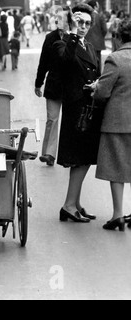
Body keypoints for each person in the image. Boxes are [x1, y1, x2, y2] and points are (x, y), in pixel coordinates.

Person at [53, 3, 100, 223]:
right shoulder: (62, 43)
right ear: (73, 22)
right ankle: (68, 205)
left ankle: (75, 203)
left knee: (85, 158)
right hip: (76, 108)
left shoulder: (89, 46)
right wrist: (72, 32)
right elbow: (65, 62)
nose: (84, 27)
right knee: (79, 158)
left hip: (88, 107)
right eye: (80, 22)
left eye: (87, 23)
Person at [92, 18, 131, 231]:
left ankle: (118, 215)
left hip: (117, 122)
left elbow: (102, 92)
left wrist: (95, 88)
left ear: (118, 37)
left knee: (117, 169)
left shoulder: (115, 59)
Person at [34, 5, 71, 167]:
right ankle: (49, 154)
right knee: (52, 119)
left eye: (61, 18)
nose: (57, 20)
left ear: (69, 21)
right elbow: (44, 62)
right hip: (54, 85)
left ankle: (70, 155)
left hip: (72, 87)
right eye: (56, 17)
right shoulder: (50, 37)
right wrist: (38, 83)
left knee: (70, 122)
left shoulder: (76, 38)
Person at [85, 1, 107, 71]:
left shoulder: (85, 16)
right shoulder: (100, 16)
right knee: (97, 61)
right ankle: (97, 77)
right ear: (95, 7)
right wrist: (100, 36)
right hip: (98, 43)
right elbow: (105, 30)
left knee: (87, 60)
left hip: (86, 41)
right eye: (97, 6)